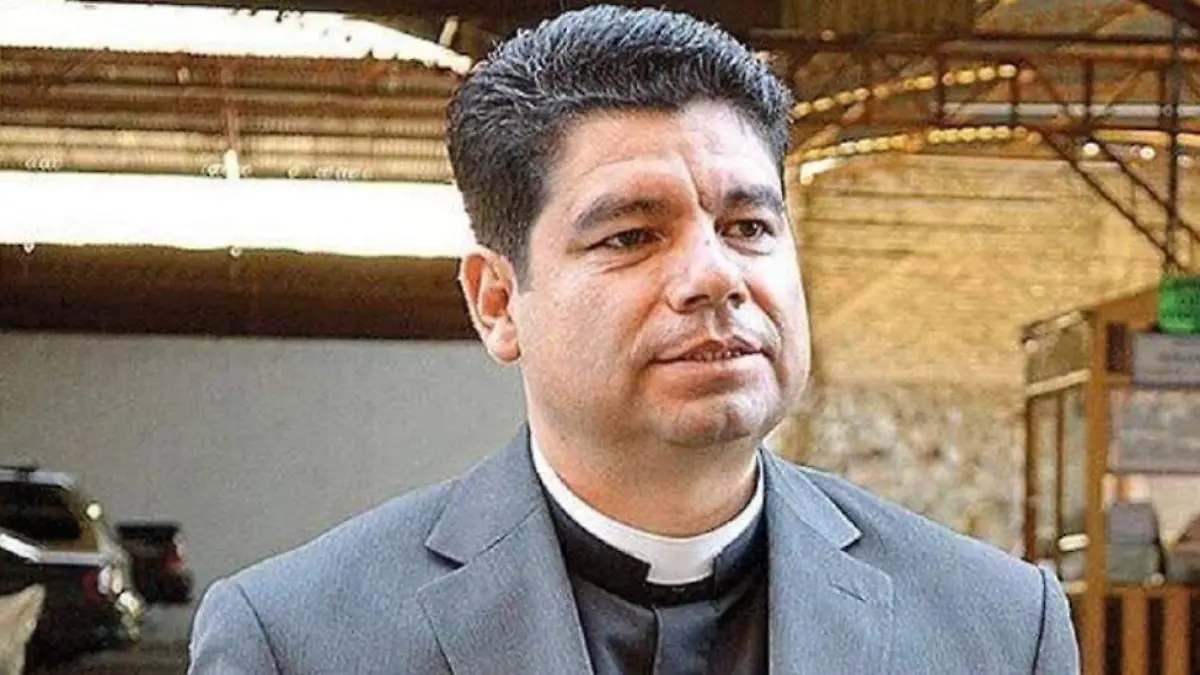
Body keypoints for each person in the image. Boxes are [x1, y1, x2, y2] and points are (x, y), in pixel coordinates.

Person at [188, 5, 1080, 674]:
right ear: (498, 302)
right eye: (631, 235)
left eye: (748, 226)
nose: (714, 276)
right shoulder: (301, 638)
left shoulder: (998, 626)